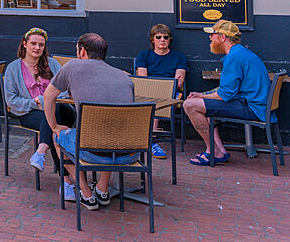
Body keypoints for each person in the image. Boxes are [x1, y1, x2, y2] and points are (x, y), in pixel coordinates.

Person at [43, 33, 136, 210]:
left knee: (58, 137)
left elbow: (48, 96)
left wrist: (54, 126)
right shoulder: (124, 77)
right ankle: (102, 188)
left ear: (82, 51)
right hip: (129, 153)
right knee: (111, 129)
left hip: (92, 151)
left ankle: (86, 193)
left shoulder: (72, 66)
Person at [183, 19, 271, 167]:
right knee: (206, 109)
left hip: (252, 108)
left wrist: (201, 96)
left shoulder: (234, 57)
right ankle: (220, 152)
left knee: (190, 105)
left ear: (222, 37)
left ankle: (213, 151)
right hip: (256, 105)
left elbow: (225, 95)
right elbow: (227, 90)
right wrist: (203, 94)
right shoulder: (241, 52)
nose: (210, 37)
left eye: (213, 34)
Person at [3, 28, 74, 175]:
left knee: (55, 113)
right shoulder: (13, 68)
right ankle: (66, 181)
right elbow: (11, 100)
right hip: (31, 113)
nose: (37, 48)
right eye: (33, 43)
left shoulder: (53, 64)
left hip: (61, 109)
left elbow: (66, 90)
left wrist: (50, 101)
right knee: (56, 130)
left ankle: (41, 150)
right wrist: (35, 103)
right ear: (24, 44)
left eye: (41, 45)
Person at [136, 23, 188, 158]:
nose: (162, 40)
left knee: (155, 99)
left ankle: (151, 139)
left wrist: (163, 86)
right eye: (158, 37)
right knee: (150, 97)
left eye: (165, 37)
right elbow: (143, 80)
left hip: (170, 92)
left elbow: (179, 81)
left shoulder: (179, 57)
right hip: (148, 90)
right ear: (153, 40)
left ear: (170, 39)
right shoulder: (144, 55)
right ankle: (151, 138)